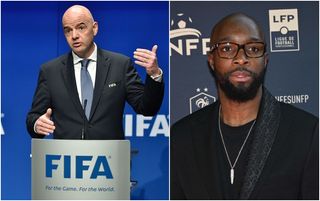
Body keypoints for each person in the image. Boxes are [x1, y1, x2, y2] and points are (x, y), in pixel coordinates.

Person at [170, 13, 318, 199]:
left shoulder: (306, 132)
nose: (241, 58)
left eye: (253, 49)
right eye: (227, 48)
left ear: (265, 60)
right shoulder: (183, 137)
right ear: (211, 60)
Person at [26, 5, 164, 139]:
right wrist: (37, 125)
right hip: (67, 159)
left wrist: (154, 74)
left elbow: (147, 108)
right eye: (68, 30)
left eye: (81, 27)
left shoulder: (120, 65)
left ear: (95, 28)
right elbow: (34, 116)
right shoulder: (50, 71)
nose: (74, 36)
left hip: (109, 159)